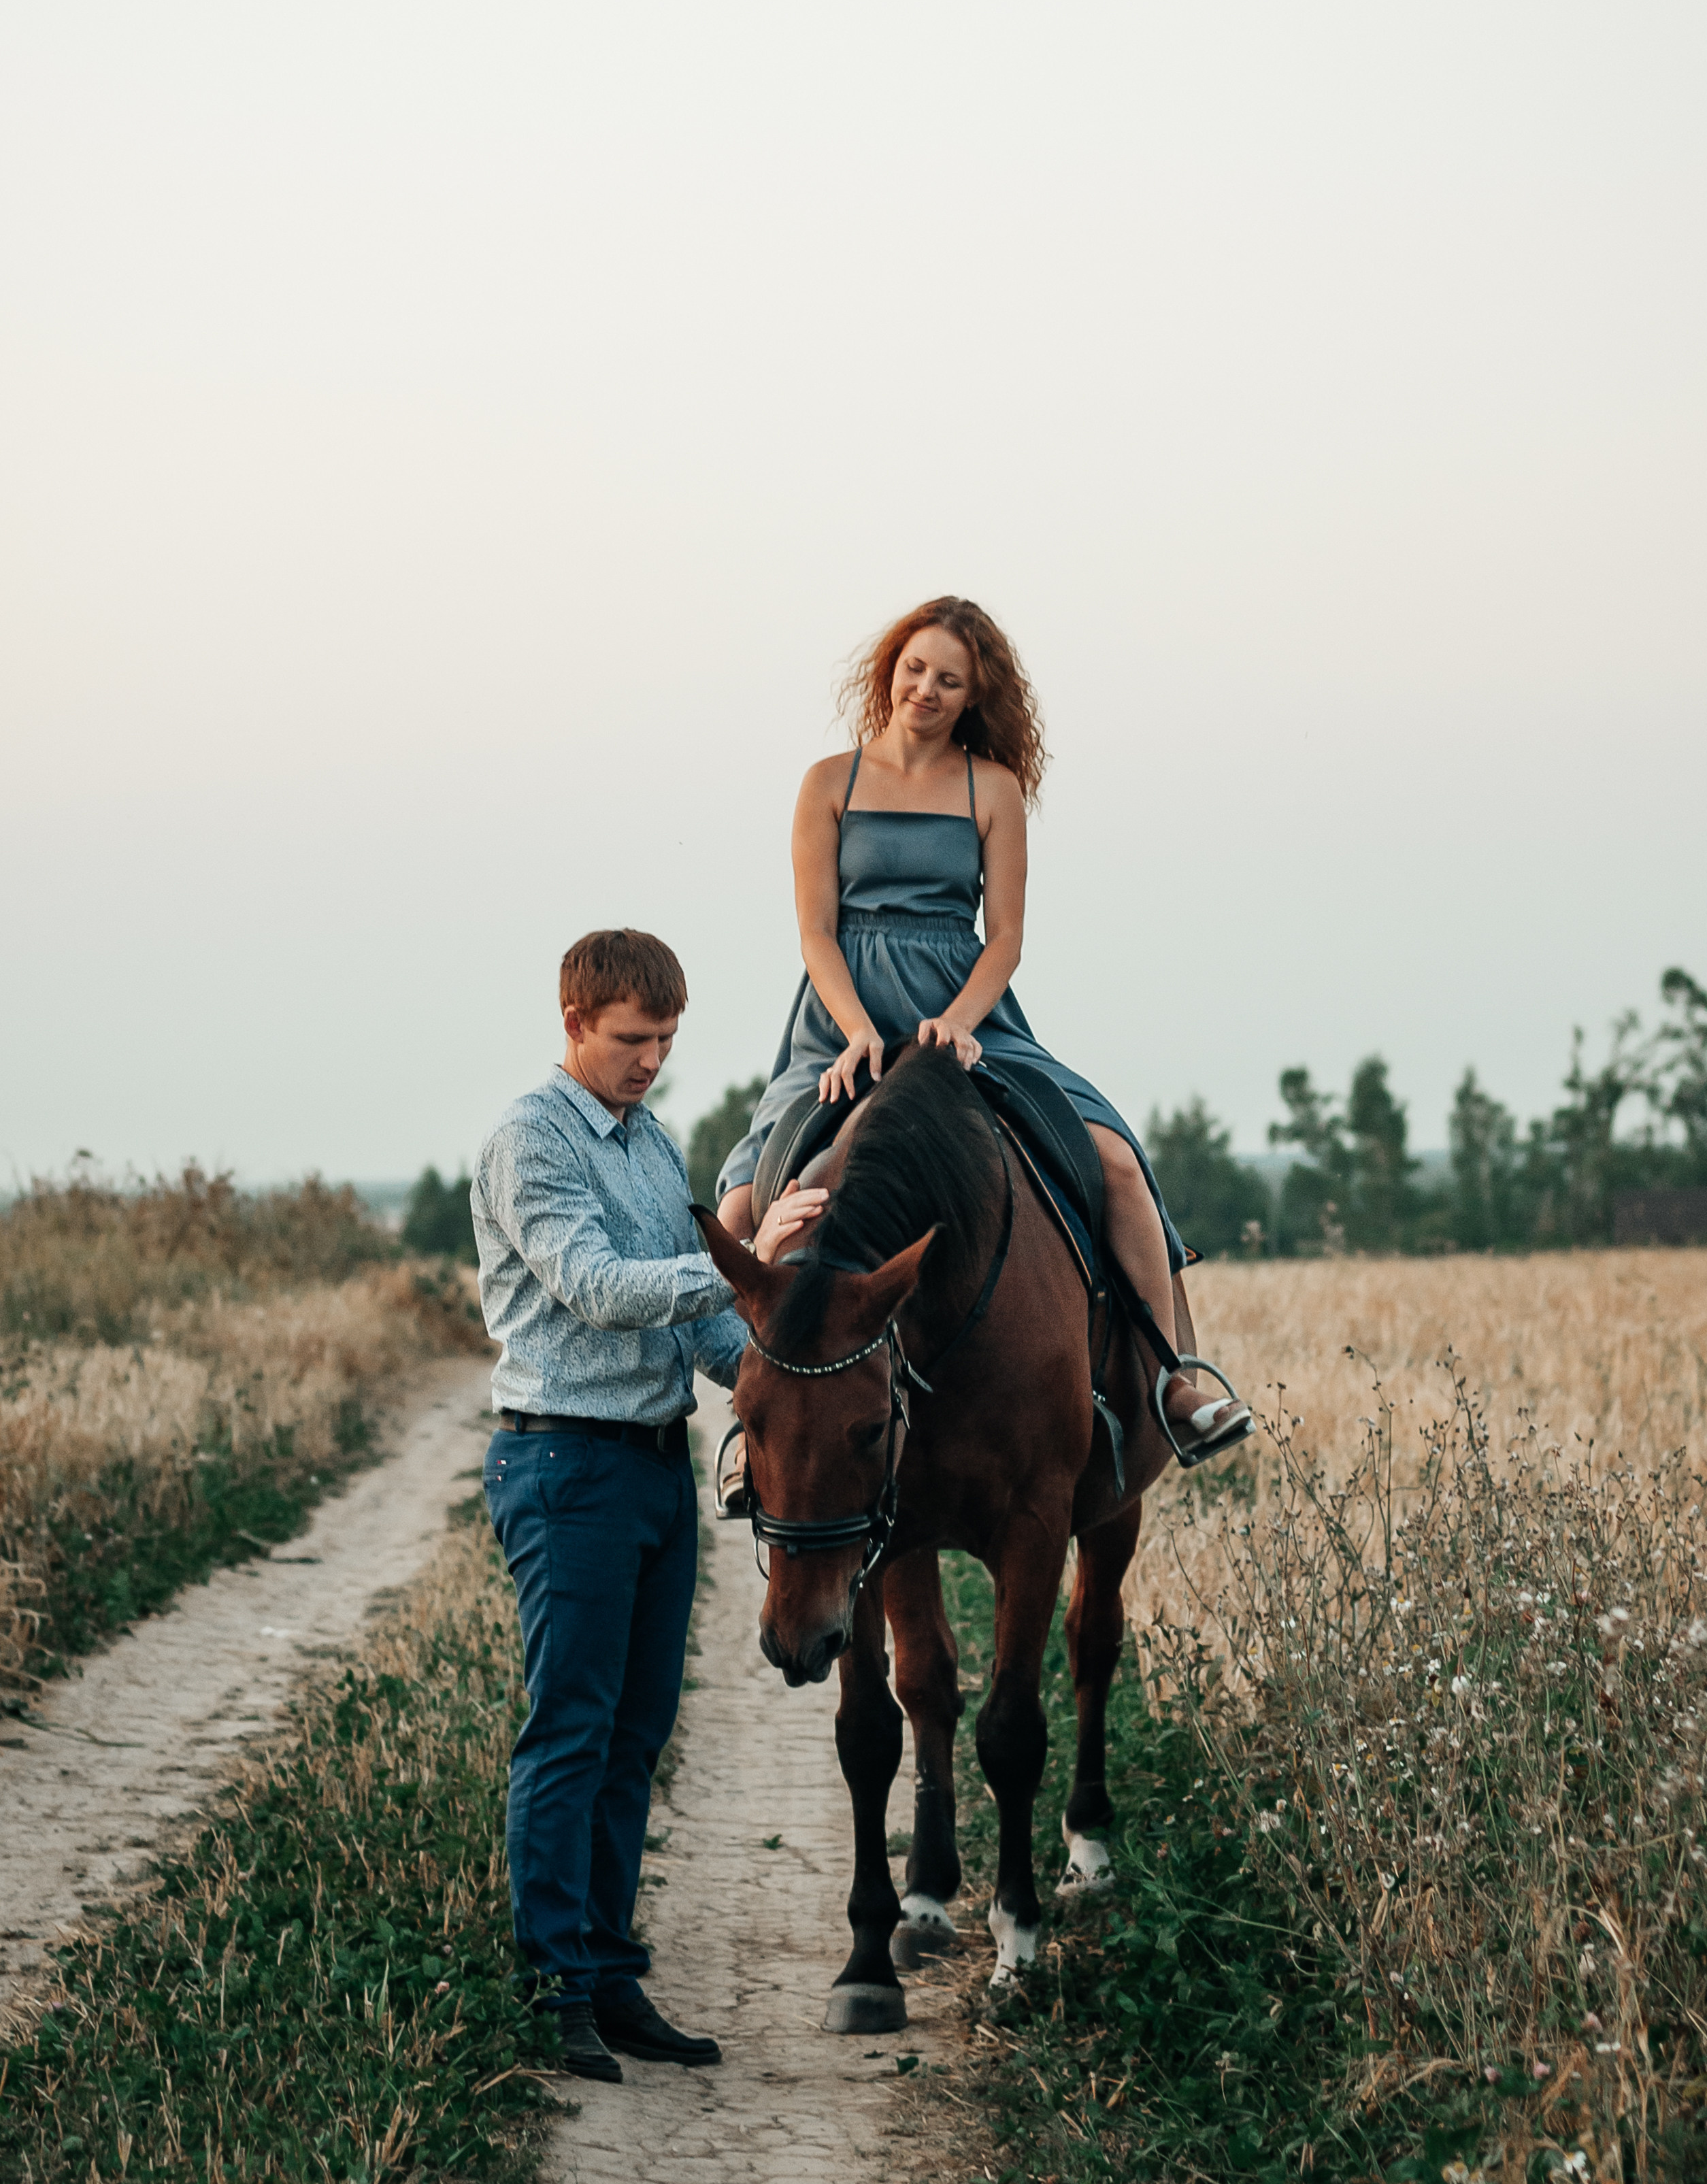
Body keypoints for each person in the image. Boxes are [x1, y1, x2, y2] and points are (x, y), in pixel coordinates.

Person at [716, 595, 1250, 1462]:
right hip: (842, 1016)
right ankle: (759, 1424)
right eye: (914, 668)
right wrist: (857, 1033)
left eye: (949, 680)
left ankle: (1171, 1381)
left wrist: (957, 1023)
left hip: (966, 1013)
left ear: (974, 697)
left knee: (1114, 1160)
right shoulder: (827, 782)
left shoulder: (990, 788)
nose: (925, 690)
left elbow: (1004, 937)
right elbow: (815, 931)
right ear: (889, 669)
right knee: (745, 1202)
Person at [472, 927, 823, 2085]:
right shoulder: (530, 1138)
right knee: (570, 1729)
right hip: (563, 1465)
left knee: (635, 1735)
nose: (651, 1060)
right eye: (631, 1039)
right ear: (574, 1021)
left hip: (654, 1467)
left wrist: (794, 1365)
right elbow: (595, 1287)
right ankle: (554, 1988)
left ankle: (612, 1978)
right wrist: (741, 1252)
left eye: (666, 1039)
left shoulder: (654, 1140)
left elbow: (706, 1332)